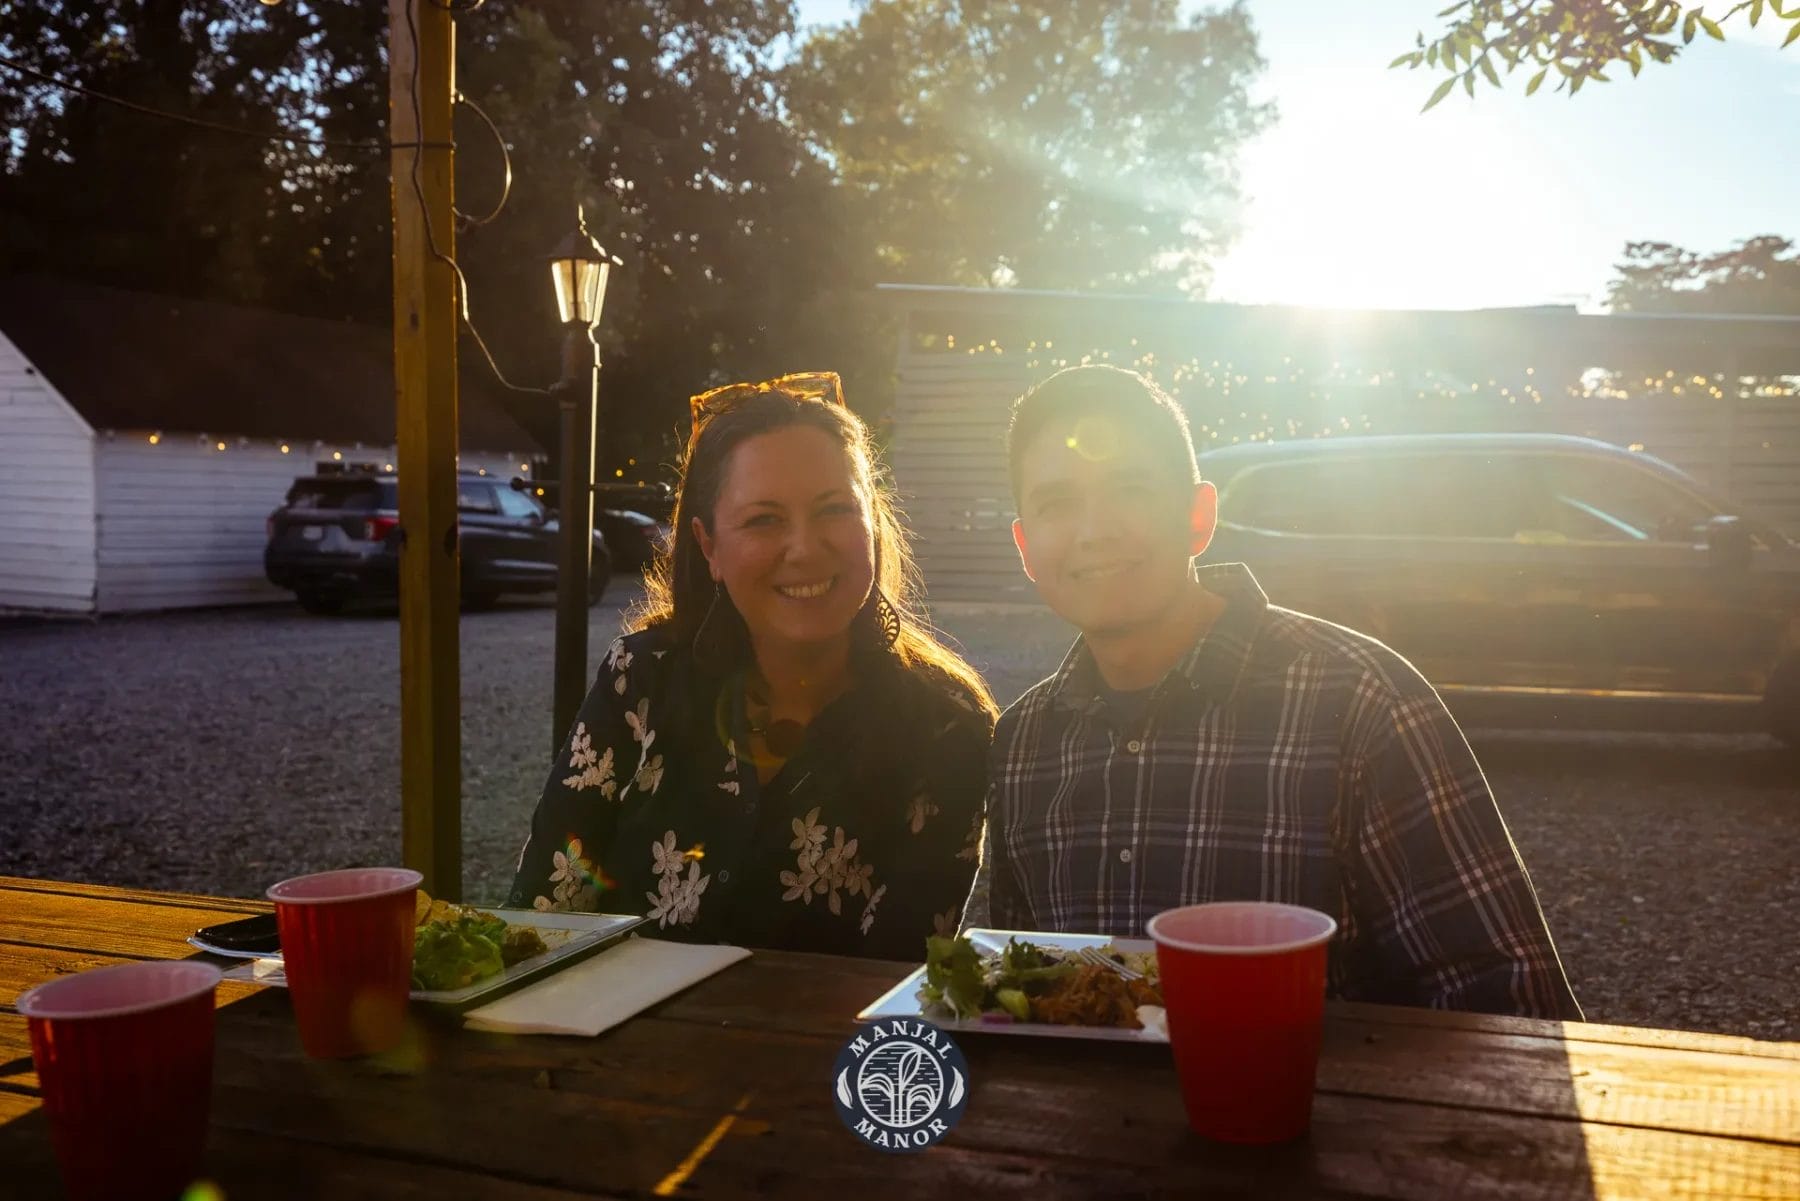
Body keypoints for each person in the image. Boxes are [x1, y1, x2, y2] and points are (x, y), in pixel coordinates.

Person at [968, 365, 1582, 1019]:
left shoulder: (1362, 705)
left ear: (1199, 517)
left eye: (1131, 488)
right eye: (1058, 503)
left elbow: (1513, 1002)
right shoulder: (1025, 741)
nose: (1095, 530)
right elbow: (1026, 989)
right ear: (1027, 548)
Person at [509, 372, 996, 960]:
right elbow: (542, 917)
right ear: (709, 546)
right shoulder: (641, 679)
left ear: (874, 523)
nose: (805, 547)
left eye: (835, 509)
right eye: (764, 519)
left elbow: (896, 978)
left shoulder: (946, 725)